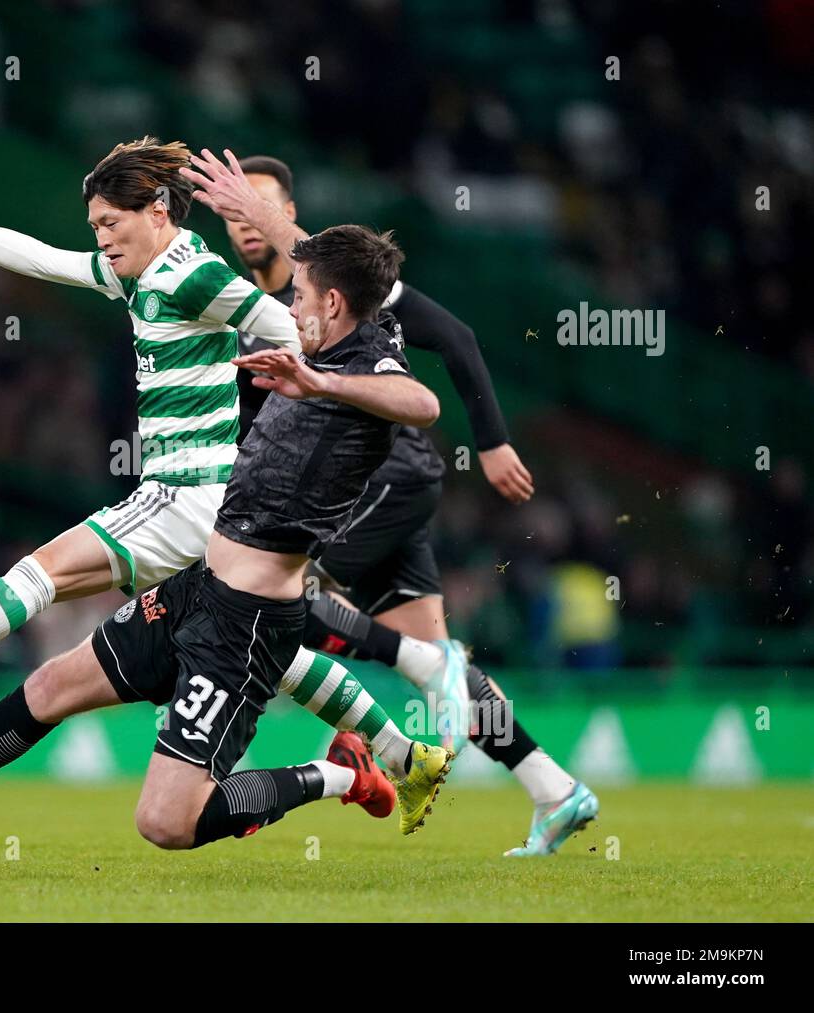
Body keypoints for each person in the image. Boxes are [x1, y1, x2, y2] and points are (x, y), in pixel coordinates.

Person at [0, 224, 456, 848]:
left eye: (301, 293)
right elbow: (326, 272)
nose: (289, 300)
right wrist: (256, 213)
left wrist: (319, 381)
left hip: (245, 622)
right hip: (198, 585)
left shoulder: (360, 368)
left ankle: (345, 774)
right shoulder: (330, 338)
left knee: (165, 821)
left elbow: (422, 404)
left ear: (333, 302)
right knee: (51, 687)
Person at [182, 149, 598, 856]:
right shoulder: (244, 311)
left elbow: (456, 339)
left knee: (278, 595)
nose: (244, 219)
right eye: (231, 208)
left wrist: (493, 442)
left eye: (260, 205)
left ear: (290, 217)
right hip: (344, 495)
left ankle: (404, 677)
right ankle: (554, 788)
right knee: (441, 665)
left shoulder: (347, 285)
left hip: (387, 479)